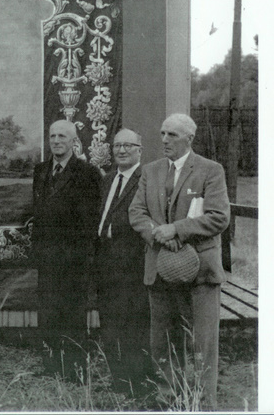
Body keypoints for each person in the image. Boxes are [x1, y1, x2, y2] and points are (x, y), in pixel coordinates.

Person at [129, 113, 230, 410]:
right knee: (163, 343)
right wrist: (159, 235)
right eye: (162, 134)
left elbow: (219, 216)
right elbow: (137, 213)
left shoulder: (211, 171)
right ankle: (166, 401)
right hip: (160, 270)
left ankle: (201, 404)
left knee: (201, 345)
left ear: (190, 139)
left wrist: (178, 230)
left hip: (201, 274)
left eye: (172, 135)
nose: (164, 140)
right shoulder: (151, 171)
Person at [29, 119, 102, 374]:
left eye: (62, 136)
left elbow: (90, 222)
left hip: (74, 261)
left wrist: (80, 257)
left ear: (74, 142)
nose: (57, 141)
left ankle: (74, 367)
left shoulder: (88, 173)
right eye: (52, 136)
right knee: (48, 311)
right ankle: (50, 364)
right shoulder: (40, 171)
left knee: (72, 314)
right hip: (47, 259)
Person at [93, 128, 151, 394]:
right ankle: (118, 379)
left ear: (140, 149)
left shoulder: (147, 179)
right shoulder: (107, 180)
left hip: (133, 265)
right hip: (106, 262)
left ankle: (136, 382)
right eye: (117, 145)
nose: (122, 150)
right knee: (110, 323)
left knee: (133, 325)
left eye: (128, 145)